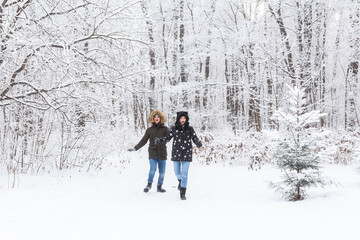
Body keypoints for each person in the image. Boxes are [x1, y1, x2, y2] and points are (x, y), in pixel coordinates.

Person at [155, 111, 202, 200]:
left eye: (184, 118)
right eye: (181, 118)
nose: (182, 120)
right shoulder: (174, 129)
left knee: (184, 174)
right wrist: (160, 140)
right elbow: (167, 138)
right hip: (176, 153)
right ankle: (180, 181)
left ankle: (183, 193)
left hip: (187, 153)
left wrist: (199, 144)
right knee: (177, 172)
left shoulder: (190, 129)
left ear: (186, 119)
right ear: (178, 119)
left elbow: (195, 138)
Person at [128, 110, 169, 193]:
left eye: (158, 117)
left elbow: (168, 138)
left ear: (161, 119)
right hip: (152, 152)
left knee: (162, 172)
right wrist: (135, 148)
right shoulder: (149, 130)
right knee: (152, 169)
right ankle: (149, 185)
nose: (156, 118)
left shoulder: (165, 129)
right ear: (153, 119)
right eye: (155, 117)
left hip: (162, 152)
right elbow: (144, 140)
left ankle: (159, 186)